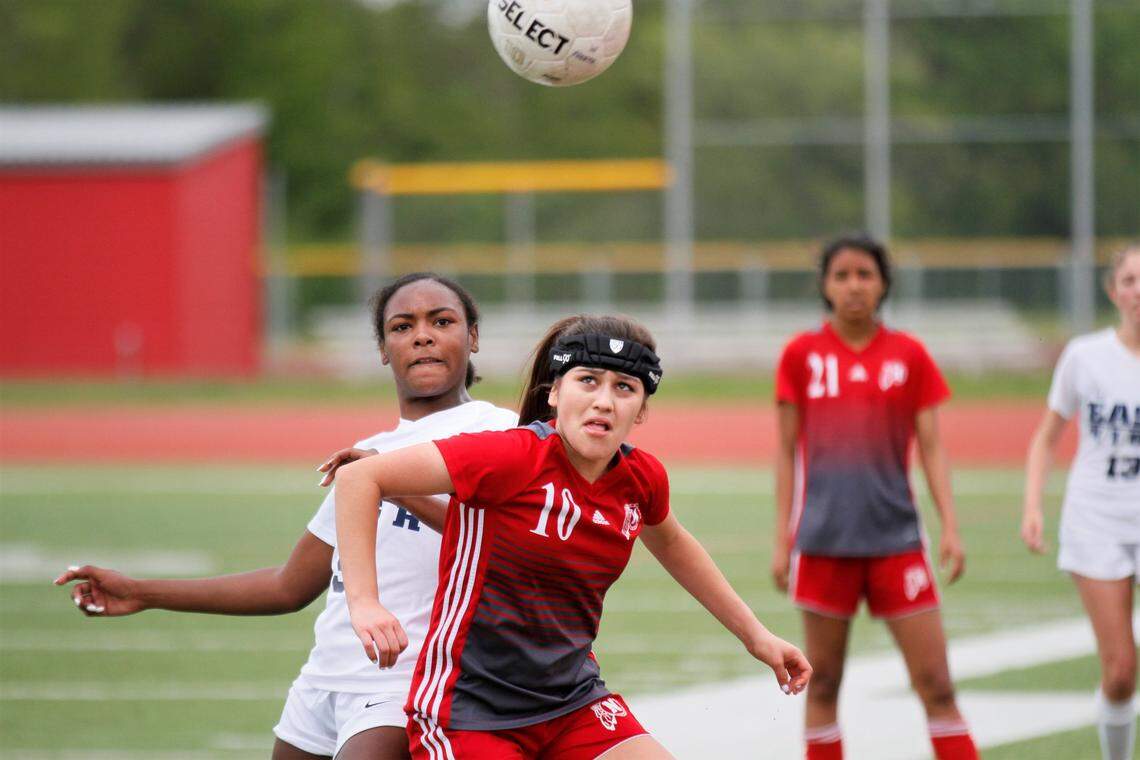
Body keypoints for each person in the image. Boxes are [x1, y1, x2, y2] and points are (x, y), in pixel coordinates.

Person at [54, 273, 518, 760]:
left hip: (411, 683)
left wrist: (393, 485)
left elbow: (513, 546)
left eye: (441, 321)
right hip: (322, 684)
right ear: (383, 350)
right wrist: (143, 592)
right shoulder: (370, 454)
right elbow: (288, 586)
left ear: (473, 337)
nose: (422, 335)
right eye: (402, 327)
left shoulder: (502, 432)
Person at [331, 314, 812, 759]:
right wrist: (364, 602)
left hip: (571, 700)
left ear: (640, 411)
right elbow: (360, 480)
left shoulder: (640, 479)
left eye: (625, 388)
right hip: (470, 711)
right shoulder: (510, 457)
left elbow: (671, 542)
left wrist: (757, 638)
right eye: (588, 381)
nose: (604, 400)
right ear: (556, 393)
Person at [771, 235, 979, 760]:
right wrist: (782, 539)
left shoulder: (909, 355)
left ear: (884, 283)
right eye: (841, 275)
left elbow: (932, 448)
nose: (854, 285)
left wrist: (950, 525)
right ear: (824, 285)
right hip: (822, 543)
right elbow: (784, 451)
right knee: (820, 686)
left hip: (897, 542)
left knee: (937, 684)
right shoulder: (801, 355)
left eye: (865, 274)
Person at [1022, 244, 1140, 760]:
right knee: (1119, 671)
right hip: (1098, 519)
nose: (1139, 291)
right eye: (1131, 280)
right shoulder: (1085, 356)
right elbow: (1046, 438)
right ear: (1113, 291)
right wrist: (1032, 506)